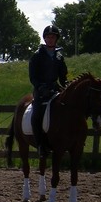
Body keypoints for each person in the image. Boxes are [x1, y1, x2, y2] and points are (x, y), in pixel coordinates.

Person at [29, 24, 68, 156]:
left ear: (56, 39)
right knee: (36, 115)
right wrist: (41, 87)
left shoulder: (59, 56)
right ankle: (40, 145)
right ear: (45, 39)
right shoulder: (37, 55)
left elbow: (63, 77)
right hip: (41, 90)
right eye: (48, 37)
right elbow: (33, 77)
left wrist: (67, 85)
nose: (50, 39)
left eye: (53, 37)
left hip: (55, 88)